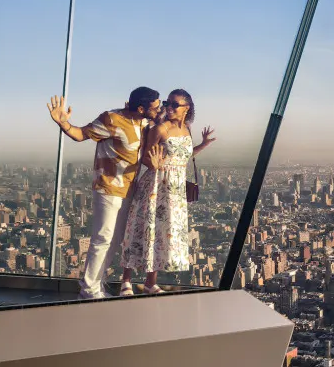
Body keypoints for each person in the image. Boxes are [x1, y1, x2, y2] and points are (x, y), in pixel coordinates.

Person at [47, 87, 161, 299]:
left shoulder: (144, 123)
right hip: (108, 189)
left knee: (115, 241)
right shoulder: (112, 119)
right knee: (102, 239)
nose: (159, 109)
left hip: (129, 189)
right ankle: (89, 290)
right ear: (141, 108)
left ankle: (96, 284)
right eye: (155, 107)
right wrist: (63, 123)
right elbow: (81, 134)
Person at [119, 89, 216, 294]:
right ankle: (126, 280)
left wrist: (203, 145)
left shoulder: (187, 129)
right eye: (167, 103)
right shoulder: (160, 129)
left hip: (175, 191)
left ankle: (150, 283)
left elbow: (183, 156)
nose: (169, 107)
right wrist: (153, 163)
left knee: (163, 234)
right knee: (142, 229)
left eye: (174, 104)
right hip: (155, 185)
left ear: (186, 108)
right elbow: (145, 156)